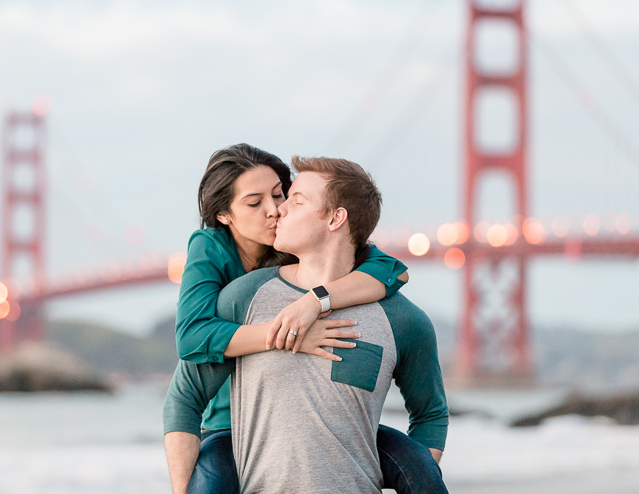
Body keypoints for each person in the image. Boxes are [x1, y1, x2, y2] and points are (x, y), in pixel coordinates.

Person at [165, 155, 449, 493]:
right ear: (224, 216)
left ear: (335, 218)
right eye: (254, 202)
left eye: (285, 196)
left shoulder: (401, 317)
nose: (275, 210)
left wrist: (314, 301)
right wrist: (285, 334)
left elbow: (394, 270)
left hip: (350, 450)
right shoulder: (235, 288)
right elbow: (190, 354)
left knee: (416, 462)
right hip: (230, 428)